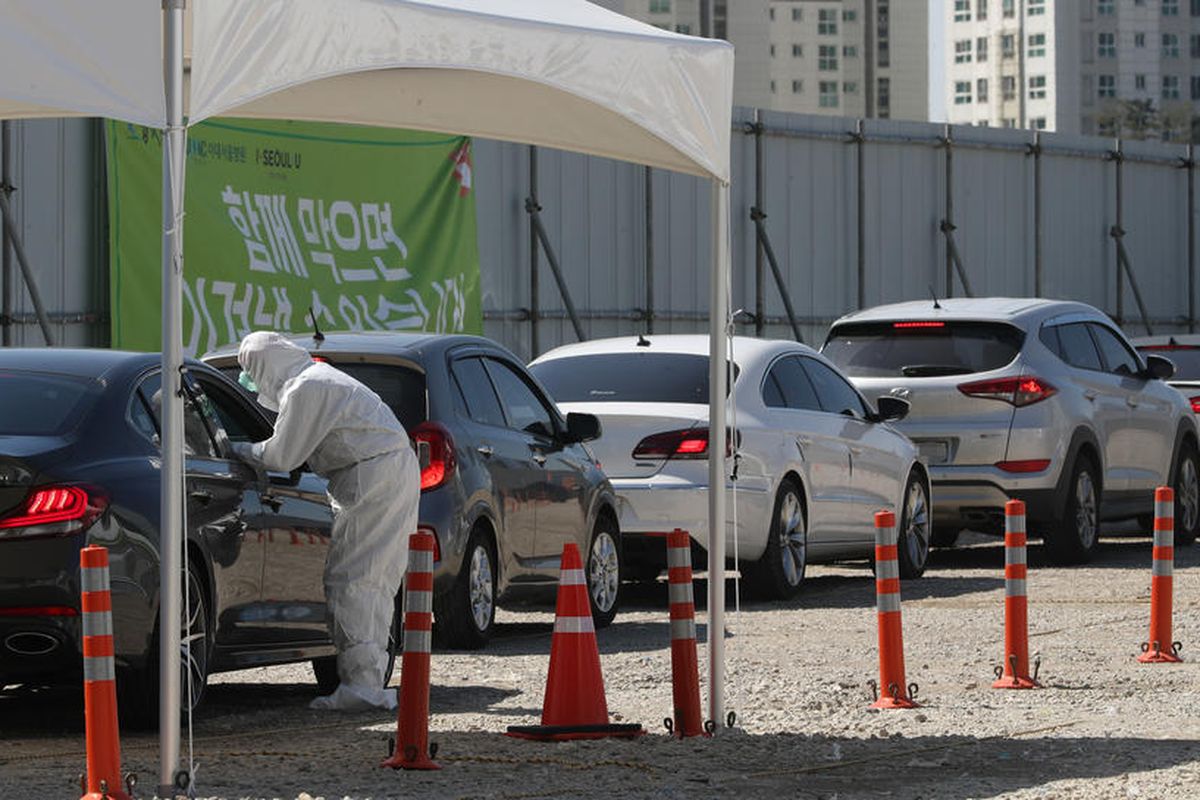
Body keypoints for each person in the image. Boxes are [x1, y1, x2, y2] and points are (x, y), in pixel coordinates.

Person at [231, 331, 419, 711]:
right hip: (382, 474)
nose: (250, 381)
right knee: (372, 580)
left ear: (266, 364)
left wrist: (234, 448)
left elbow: (281, 456)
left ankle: (363, 687)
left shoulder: (307, 387)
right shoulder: (317, 379)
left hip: (374, 478)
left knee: (354, 580)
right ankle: (366, 680)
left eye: (249, 369)